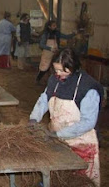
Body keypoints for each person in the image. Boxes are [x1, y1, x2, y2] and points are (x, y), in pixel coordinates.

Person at [29, 48, 103, 186]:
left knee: (80, 182)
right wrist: (34, 118)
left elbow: (88, 122)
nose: (59, 74)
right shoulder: (54, 80)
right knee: (57, 178)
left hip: (81, 144)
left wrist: (58, 134)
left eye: (63, 71)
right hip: (58, 141)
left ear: (74, 67)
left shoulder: (87, 87)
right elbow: (44, 99)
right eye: (56, 70)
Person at [36, 20, 76, 85]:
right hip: (47, 53)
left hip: (55, 52)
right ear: (49, 26)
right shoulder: (46, 34)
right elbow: (41, 44)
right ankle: (38, 79)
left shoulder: (56, 33)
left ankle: (52, 81)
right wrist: (49, 48)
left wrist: (73, 34)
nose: (55, 27)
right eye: (53, 25)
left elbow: (66, 36)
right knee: (44, 67)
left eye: (55, 25)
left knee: (53, 66)